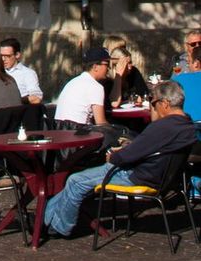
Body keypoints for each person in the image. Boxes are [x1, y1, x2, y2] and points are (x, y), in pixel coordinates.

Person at [43, 78, 198, 238]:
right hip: (160, 176)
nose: (153, 106)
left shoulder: (162, 126)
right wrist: (129, 148)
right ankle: (45, 218)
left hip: (137, 176)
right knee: (75, 181)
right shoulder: (187, 126)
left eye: (153, 102)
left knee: (75, 181)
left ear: (164, 104)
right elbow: (148, 149)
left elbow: (123, 158)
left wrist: (114, 156)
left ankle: (59, 227)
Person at [54, 47, 112, 132]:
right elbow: (101, 123)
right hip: (79, 133)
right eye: (107, 64)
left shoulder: (73, 82)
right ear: (95, 66)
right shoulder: (95, 86)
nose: (109, 68)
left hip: (60, 132)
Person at [104, 36, 149, 108]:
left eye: (124, 47)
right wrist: (119, 75)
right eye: (119, 48)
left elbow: (144, 93)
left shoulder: (133, 72)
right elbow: (114, 103)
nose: (130, 66)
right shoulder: (106, 78)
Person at [0, 36, 44, 104]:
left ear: (17, 55)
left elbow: (37, 98)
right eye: (1, 56)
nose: (3, 59)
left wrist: (15, 100)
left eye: (8, 56)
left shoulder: (27, 74)